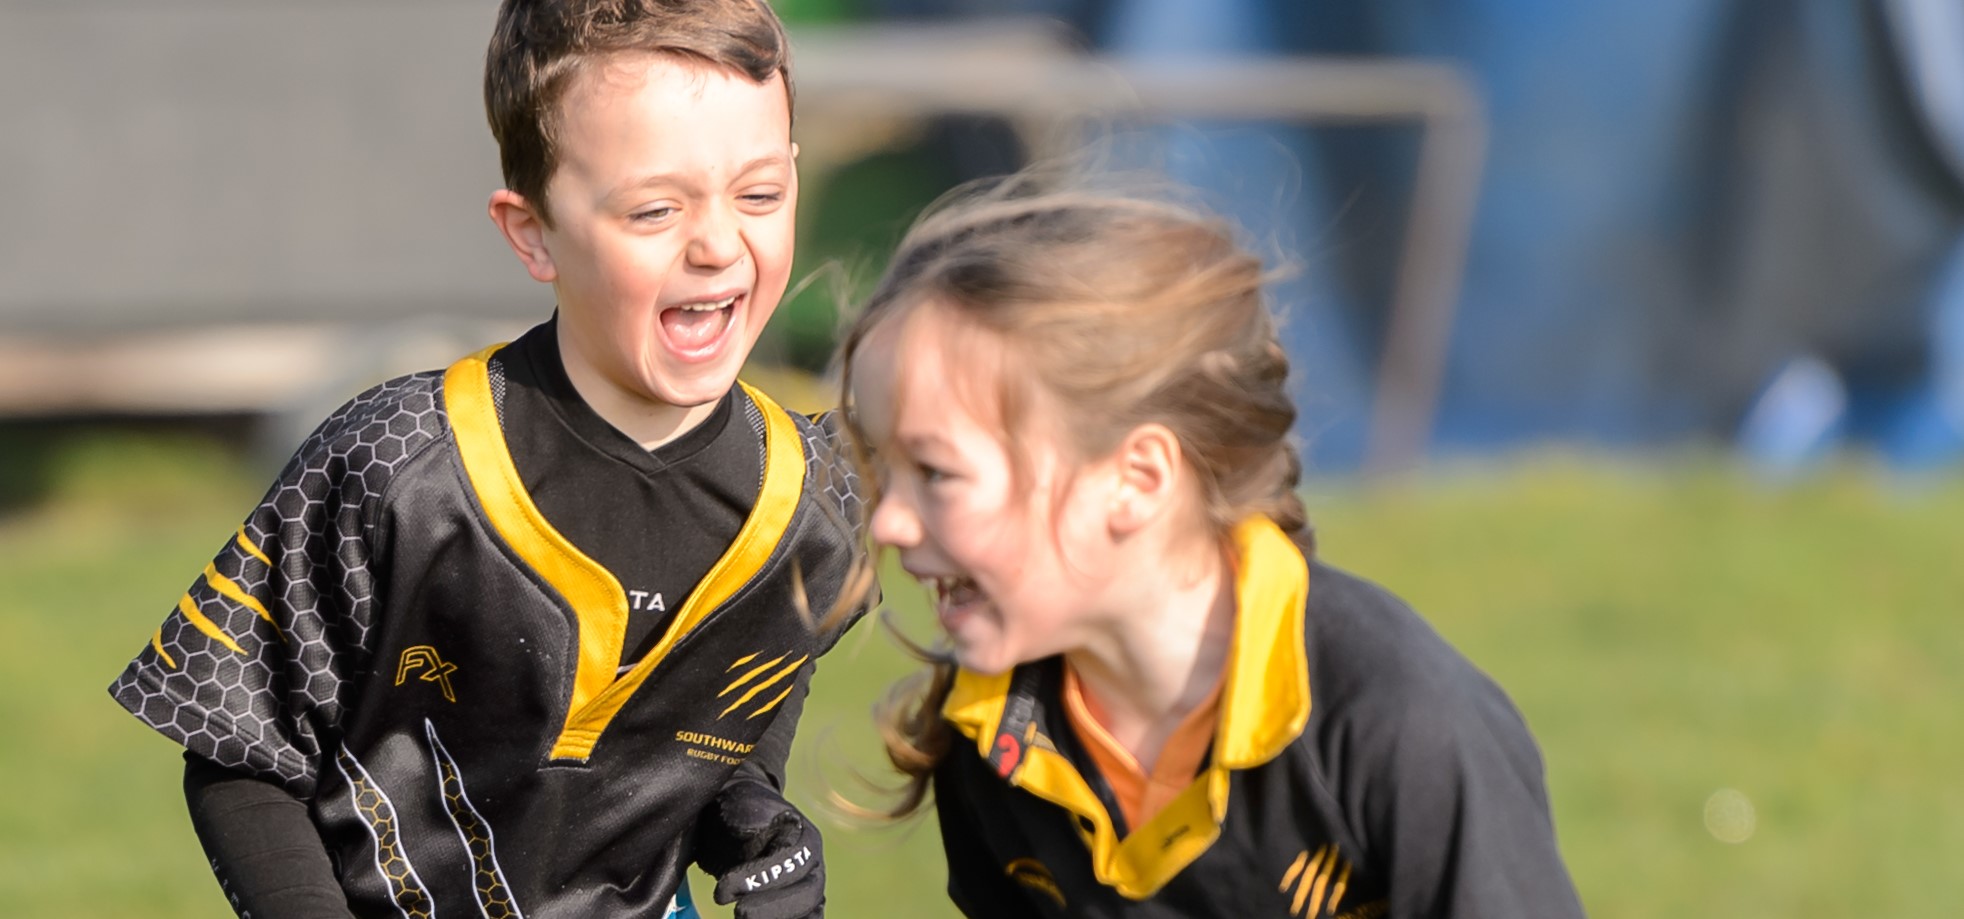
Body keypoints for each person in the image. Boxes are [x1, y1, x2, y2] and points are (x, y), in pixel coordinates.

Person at [106, 1, 867, 916]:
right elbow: (240, 750)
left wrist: (758, 827)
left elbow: (710, 753)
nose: (715, 244)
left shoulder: (817, 503)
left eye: (758, 196)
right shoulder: (398, 465)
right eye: (656, 207)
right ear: (532, 231)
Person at [832, 178, 1586, 917]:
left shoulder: (1405, 724)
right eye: (882, 467)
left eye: (935, 472)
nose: (891, 521)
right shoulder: (992, 739)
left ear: (1137, 477)